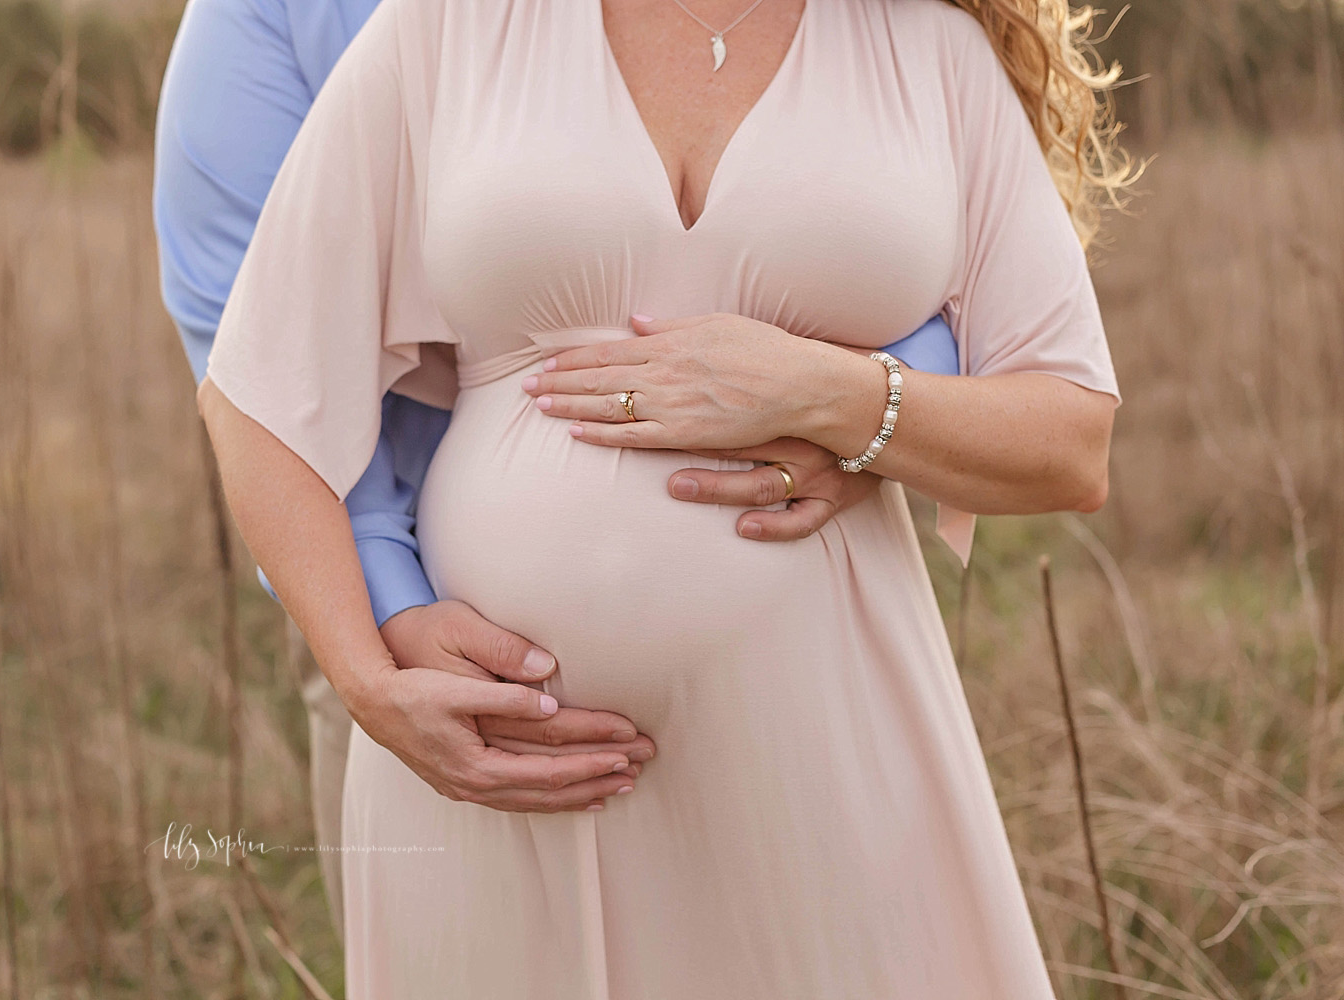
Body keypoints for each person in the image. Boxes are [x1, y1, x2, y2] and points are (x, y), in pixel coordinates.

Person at [196, 0, 1127, 995]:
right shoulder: (452, 27)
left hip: (821, 757)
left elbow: (1071, 437)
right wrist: (368, 679)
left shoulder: (926, 54)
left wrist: (838, 396)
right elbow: (258, 392)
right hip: (498, 768)